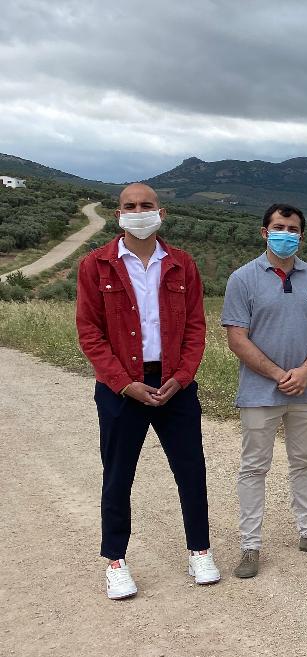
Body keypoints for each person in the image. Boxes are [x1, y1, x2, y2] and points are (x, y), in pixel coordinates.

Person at [76, 183, 219, 599]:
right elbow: (89, 332)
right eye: (130, 206)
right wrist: (123, 383)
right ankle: (116, 561)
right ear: (118, 214)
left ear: (162, 213)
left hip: (175, 383)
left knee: (191, 471)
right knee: (118, 475)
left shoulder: (182, 265)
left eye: (146, 205)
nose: (138, 211)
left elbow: (195, 327)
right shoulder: (95, 265)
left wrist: (184, 375)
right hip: (122, 388)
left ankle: (200, 551)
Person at [221, 202, 307, 579]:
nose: (285, 234)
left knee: (303, 462)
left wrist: (305, 371)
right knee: (255, 467)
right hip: (260, 392)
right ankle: (250, 547)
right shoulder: (242, 279)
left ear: (302, 235)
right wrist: (278, 374)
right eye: (278, 227)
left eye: (292, 229)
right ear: (263, 232)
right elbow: (236, 338)